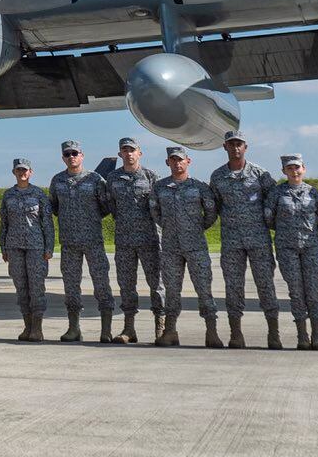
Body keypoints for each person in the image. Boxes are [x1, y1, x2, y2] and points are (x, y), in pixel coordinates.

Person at [210, 130, 281, 349]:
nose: (235, 148)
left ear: (246, 147)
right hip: (232, 241)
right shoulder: (218, 176)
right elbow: (215, 205)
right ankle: (236, 334)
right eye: (231, 144)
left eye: (239, 144)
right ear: (225, 147)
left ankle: (273, 334)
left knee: (265, 285)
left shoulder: (261, 174)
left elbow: (273, 202)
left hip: (259, 239)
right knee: (233, 287)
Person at [154, 146, 222, 348]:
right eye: (173, 160)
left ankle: (212, 332)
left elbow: (211, 214)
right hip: (171, 247)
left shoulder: (200, 187)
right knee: (172, 291)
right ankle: (170, 331)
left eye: (180, 160)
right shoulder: (159, 188)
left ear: (188, 161)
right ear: (168, 163)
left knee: (204, 289)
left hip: (196, 246)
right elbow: (155, 213)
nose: (177, 163)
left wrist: (196, 228)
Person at [48, 140, 114, 344]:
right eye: (67, 154)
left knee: (101, 283)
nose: (71, 157)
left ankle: (106, 330)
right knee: (71, 287)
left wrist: (88, 221)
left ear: (82, 155)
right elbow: (55, 208)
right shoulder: (57, 181)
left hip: (93, 240)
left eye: (74, 153)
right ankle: (73, 328)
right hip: (69, 243)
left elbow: (105, 206)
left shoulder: (95, 180)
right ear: (63, 158)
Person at [265, 154, 318, 350]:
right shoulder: (276, 194)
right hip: (287, 248)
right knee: (296, 292)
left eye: (297, 167)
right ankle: (302, 336)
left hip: (311, 248)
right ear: (284, 171)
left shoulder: (314, 193)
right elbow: (269, 218)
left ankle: (317, 337)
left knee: (313, 291)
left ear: (304, 169)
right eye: (290, 168)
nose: (294, 171)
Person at [103, 138, 161, 344]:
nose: (129, 154)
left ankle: (160, 328)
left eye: (132, 150)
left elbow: (158, 207)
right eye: (125, 150)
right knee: (126, 284)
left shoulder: (151, 177)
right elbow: (111, 206)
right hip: (124, 239)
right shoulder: (112, 178)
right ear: (120, 154)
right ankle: (129, 329)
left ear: (140, 153)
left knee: (157, 284)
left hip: (150, 239)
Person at [0, 158, 54, 342]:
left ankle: (37, 329)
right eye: (18, 170)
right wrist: (3, 247)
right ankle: (27, 326)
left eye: (25, 170)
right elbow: (4, 223)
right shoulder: (8, 195)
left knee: (36, 288)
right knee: (21, 288)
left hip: (36, 247)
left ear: (30, 172)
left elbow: (47, 223)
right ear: (13, 172)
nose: (22, 173)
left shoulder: (39, 194)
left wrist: (49, 248)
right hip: (14, 247)